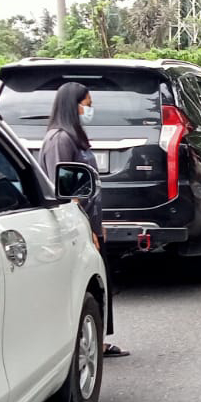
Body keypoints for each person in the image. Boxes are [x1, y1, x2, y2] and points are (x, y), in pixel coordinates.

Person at [39, 82, 127, 357]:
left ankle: (96, 341)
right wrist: (85, 229)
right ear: (72, 105)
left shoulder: (75, 136)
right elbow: (64, 187)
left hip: (89, 221)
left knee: (100, 281)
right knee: (84, 285)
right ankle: (83, 344)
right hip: (74, 225)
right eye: (87, 105)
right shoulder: (59, 139)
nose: (90, 111)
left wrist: (98, 225)